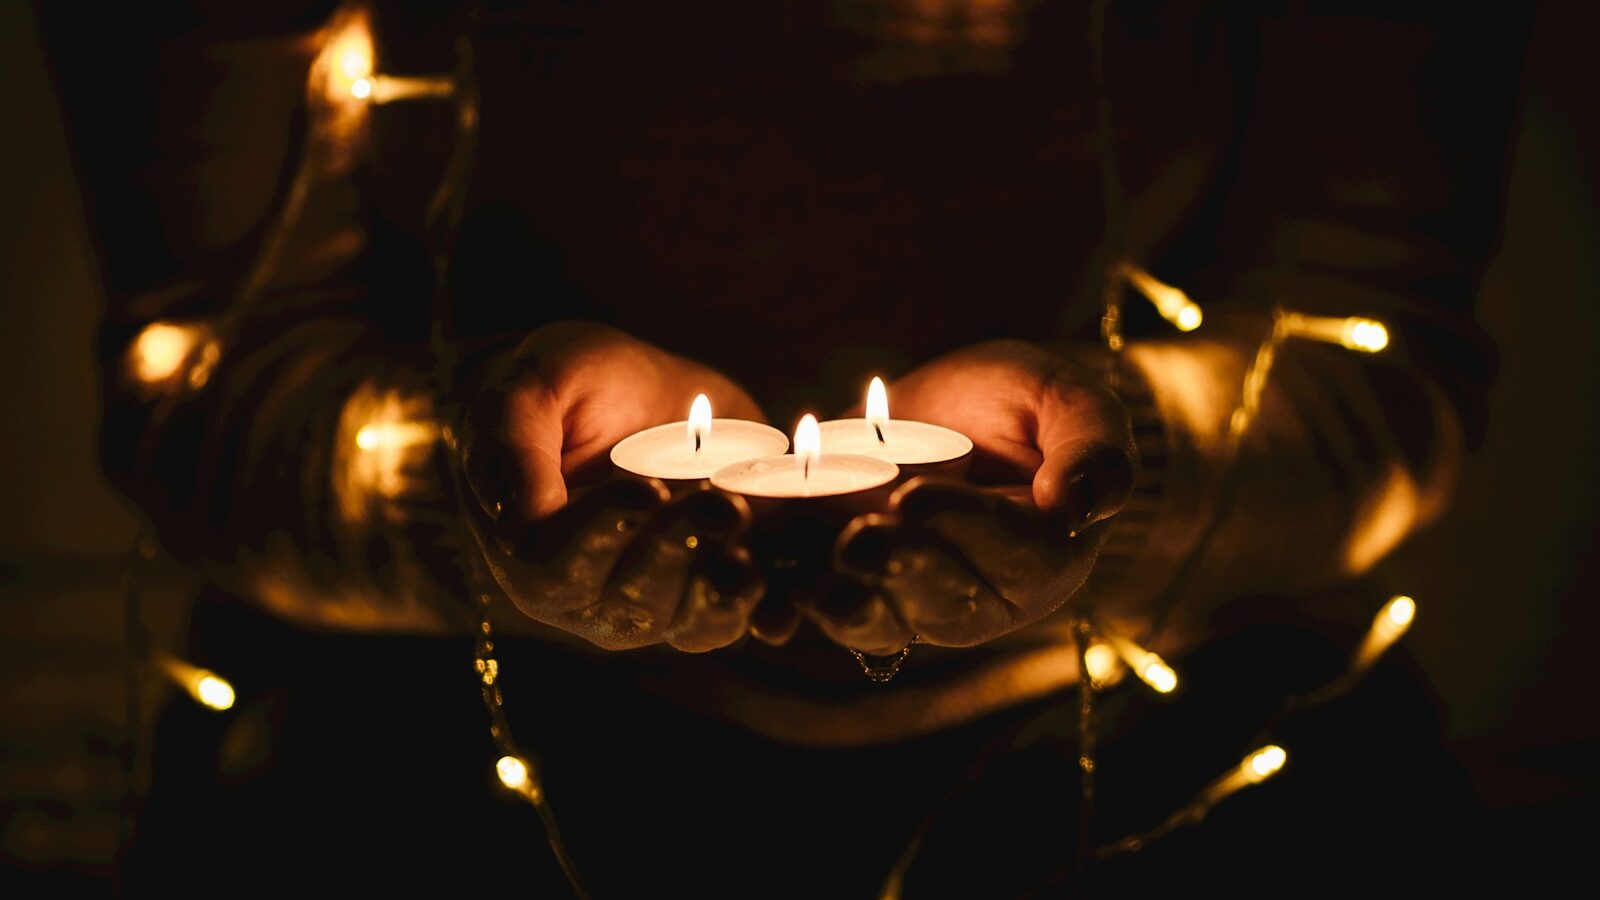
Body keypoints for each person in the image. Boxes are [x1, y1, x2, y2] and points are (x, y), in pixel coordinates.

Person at [43, 1, 1526, 895]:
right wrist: (476, 492)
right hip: (417, 766)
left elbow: (1380, 352)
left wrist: (1126, 465)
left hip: (1181, 771)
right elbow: (206, 384)